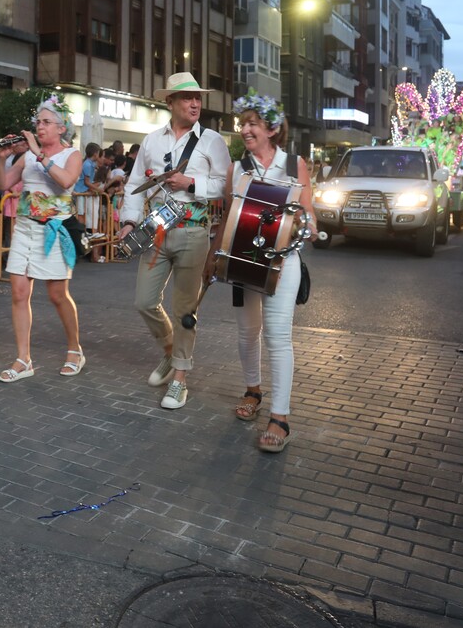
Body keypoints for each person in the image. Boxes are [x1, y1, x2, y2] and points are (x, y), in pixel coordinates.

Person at [205, 92, 315, 453]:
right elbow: (227, 216)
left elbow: (308, 212)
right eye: (242, 125)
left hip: (283, 262)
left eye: (251, 123)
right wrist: (213, 257)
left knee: (278, 337)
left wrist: (308, 224)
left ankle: (280, 418)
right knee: (246, 333)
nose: (244, 130)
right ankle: (253, 390)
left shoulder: (294, 163)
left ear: (271, 127)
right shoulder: (238, 169)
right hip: (243, 260)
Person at [117, 72, 231, 410]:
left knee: (185, 310)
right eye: (186, 98)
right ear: (170, 102)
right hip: (155, 229)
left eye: (198, 98)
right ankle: (170, 352)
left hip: (195, 231)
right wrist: (127, 221)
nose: (195, 103)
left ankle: (180, 378)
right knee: (144, 301)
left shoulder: (212, 140)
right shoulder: (152, 140)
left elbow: (226, 186)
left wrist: (191, 183)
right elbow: (135, 183)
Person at [0, 96, 85, 382]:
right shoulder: (27, 156)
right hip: (25, 229)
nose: (39, 127)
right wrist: (2, 159)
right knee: (19, 292)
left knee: (57, 295)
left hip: (54, 231)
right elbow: (2, 185)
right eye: (38, 122)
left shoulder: (72, 154)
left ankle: (75, 349)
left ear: (61, 128)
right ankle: (23, 358)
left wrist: (39, 154)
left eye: (46, 122)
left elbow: (66, 181)